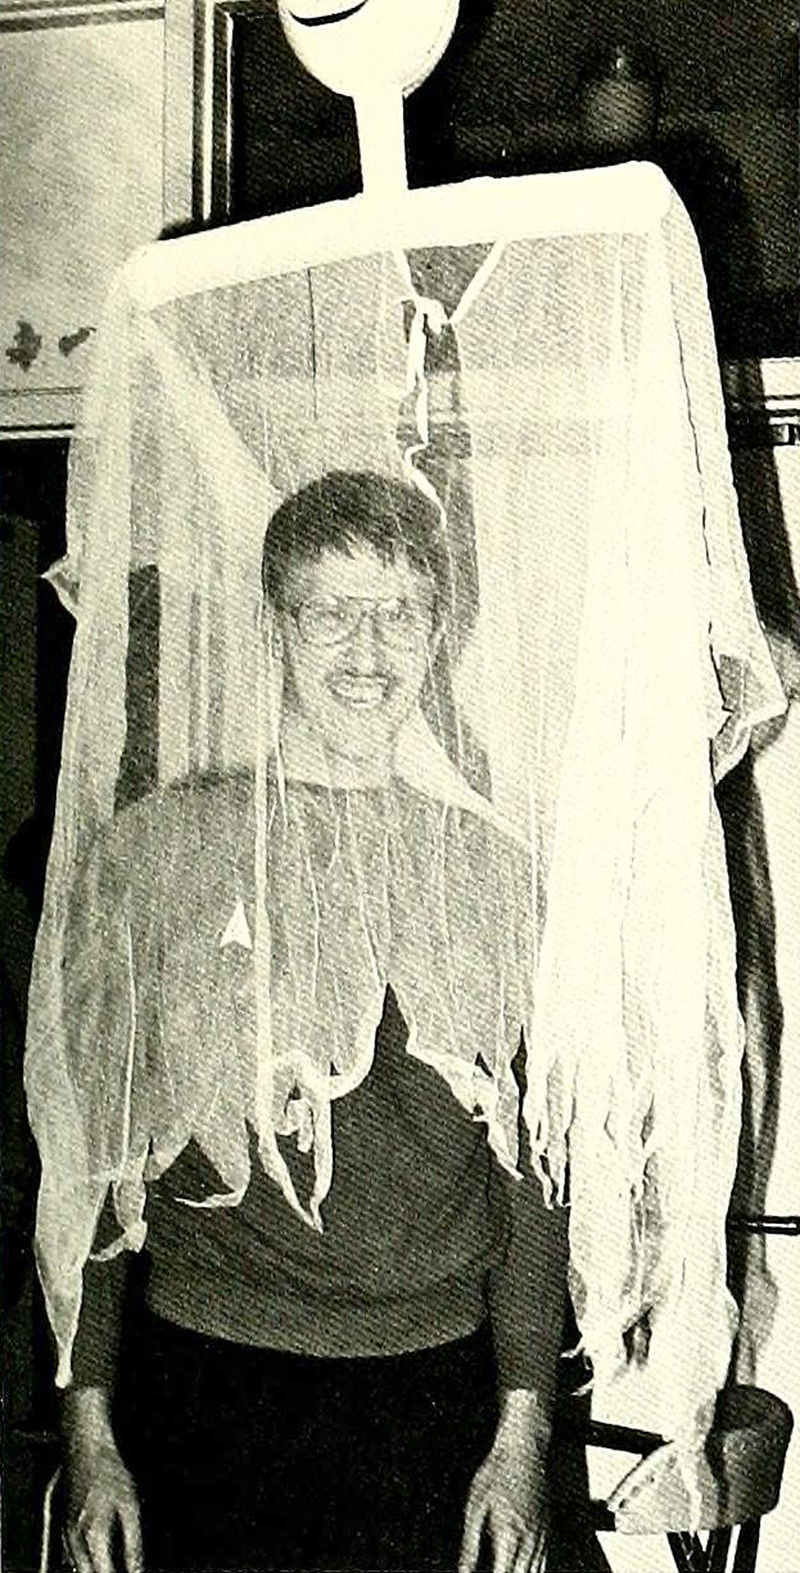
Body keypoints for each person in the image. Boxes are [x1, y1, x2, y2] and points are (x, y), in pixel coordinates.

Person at [57, 469, 570, 1573]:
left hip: (435, 1401)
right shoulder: (157, 853)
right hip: (199, 1385)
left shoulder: (493, 872)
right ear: (274, 629)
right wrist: (89, 1430)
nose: (367, 652)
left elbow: (532, 1176)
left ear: (440, 634)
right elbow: (91, 1162)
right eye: (331, 612)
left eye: (400, 614)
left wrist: (522, 1431)